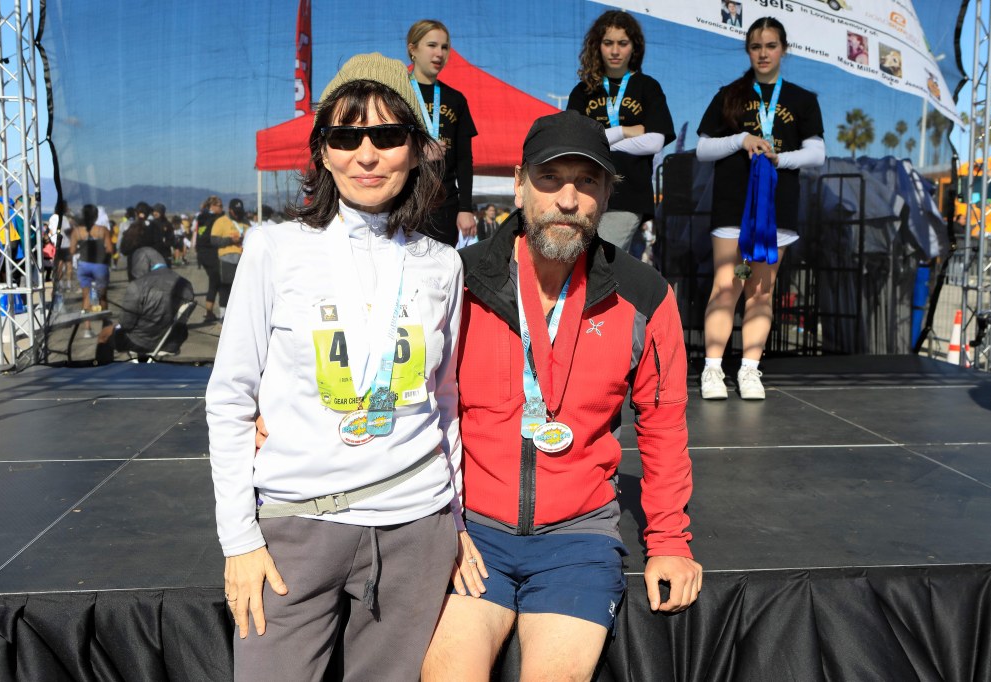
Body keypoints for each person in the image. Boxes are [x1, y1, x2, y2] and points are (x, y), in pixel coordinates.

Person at [207, 52, 467, 681]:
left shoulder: (442, 264)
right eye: (347, 136)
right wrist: (239, 539)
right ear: (322, 151)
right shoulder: (274, 248)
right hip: (298, 525)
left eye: (387, 134)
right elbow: (231, 398)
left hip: (416, 525)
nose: (367, 154)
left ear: (417, 149)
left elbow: (448, 400)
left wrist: (455, 521)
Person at [421, 110, 701, 680]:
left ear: (606, 194)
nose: (568, 199)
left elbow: (663, 423)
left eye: (587, 182)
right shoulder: (460, 280)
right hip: (471, 531)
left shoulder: (645, 295)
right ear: (520, 184)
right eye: (551, 179)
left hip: (578, 537)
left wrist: (669, 538)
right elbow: (407, 391)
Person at [695, 17, 824, 400]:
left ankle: (750, 370)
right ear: (747, 50)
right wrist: (741, 139)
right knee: (726, 285)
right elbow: (702, 149)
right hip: (733, 208)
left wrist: (779, 158)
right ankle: (713, 369)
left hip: (776, 210)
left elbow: (817, 154)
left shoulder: (802, 99)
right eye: (755, 46)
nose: (763, 53)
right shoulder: (729, 95)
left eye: (770, 45)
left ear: (784, 48)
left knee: (761, 292)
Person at [567, 10, 675, 254]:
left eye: (622, 43)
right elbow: (576, 140)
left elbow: (655, 142)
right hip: (584, 192)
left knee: (599, 261)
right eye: (608, 43)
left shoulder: (648, 87)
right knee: (591, 265)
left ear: (633, 48)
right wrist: (624, 131)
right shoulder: (583, 91)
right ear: (598, 46)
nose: (615, 51)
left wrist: (598, 140)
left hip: (629, 193)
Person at [407, 19, 478, 247]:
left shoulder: (455, 99)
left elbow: (464, 159)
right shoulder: (397, 93)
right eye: (432, 45)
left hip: (445, 205)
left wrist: (465, 208)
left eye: (444, 47)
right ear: (413, 49)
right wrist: (418, 152)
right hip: (404, 200)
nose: (439, 53)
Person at [94, 246, 194, 363]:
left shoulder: (138, 285)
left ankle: (104, 372)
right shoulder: (185, 284)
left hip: (143, 342)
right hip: (173, 340)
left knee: (105, 333)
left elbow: (126, 323)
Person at [69, 204, 113, 338]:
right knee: (103, 296)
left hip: (84, 265)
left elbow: (72, 251)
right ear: (96, 216)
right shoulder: (102, 230)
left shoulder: (76, 231)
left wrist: (81, 248)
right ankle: (105, 323)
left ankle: (87, 328)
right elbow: (110, 249)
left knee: (85, 296)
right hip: (99, 265)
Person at [210, 198, 247, 319]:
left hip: (242, 259)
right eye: (235, 211)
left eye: (239, 211)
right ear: (230, 210)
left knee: (241, 288)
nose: (237, 213)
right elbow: (214, 240)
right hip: (226, 259)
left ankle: (239, 315)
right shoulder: (221, 221)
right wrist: (230, 240)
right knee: (226, 287)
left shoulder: (246, 223)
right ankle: (223, 315)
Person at [195, 196, 224, 321]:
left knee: (214, 280)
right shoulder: (215, 219)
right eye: (220, 206)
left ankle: (209, 311)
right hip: (210, 252)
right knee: (215, 280)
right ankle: (209, 311)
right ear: (213, 206)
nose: (222, 209)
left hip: (202, 253)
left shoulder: (201, 216)